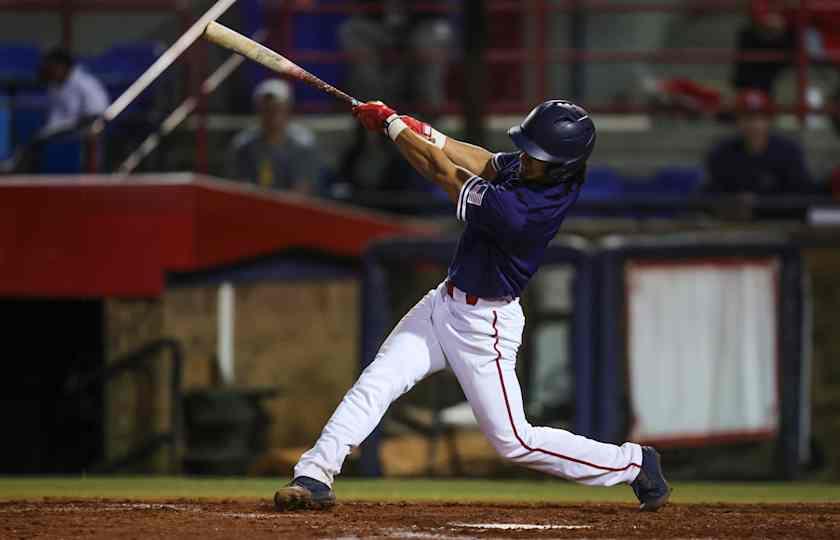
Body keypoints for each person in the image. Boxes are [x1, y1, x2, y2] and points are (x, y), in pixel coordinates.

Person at [274, 100, 671, 512]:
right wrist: (426, 132)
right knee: (376, 383)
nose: (524, 158)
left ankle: (633, 463)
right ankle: (314, 475)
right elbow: (484, 161)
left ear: (560, 167)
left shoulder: (522, 212)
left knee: (514, 441)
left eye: (535, 155)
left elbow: (442, 172)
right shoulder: (537, 169)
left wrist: (392, 126)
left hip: (485, 326)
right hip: (442, 304)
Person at [705, 89, 814, 195]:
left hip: (778, 208)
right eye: (748, 118)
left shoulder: (789, 152)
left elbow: (802, 193)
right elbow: (712, 194)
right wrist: (733, 201)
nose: (755, 125)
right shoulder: (722, 153)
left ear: (770, 120)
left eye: (761, 118)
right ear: (738, 120)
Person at [226, 79, 323, 194]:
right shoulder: (242, 145)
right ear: (258, 109)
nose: (272, 114)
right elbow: (239, 188)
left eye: (277, 108)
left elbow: (302, 192)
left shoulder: (304, 145)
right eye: (266, 108)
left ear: (288, 108)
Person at [40, 48, 109, 136]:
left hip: (83, 132)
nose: (50, 72)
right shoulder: (53, 86)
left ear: (63, 66)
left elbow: (98, 113)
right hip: (60, 133)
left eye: (52, 68)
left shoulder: (85, 82)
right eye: (48, 68)